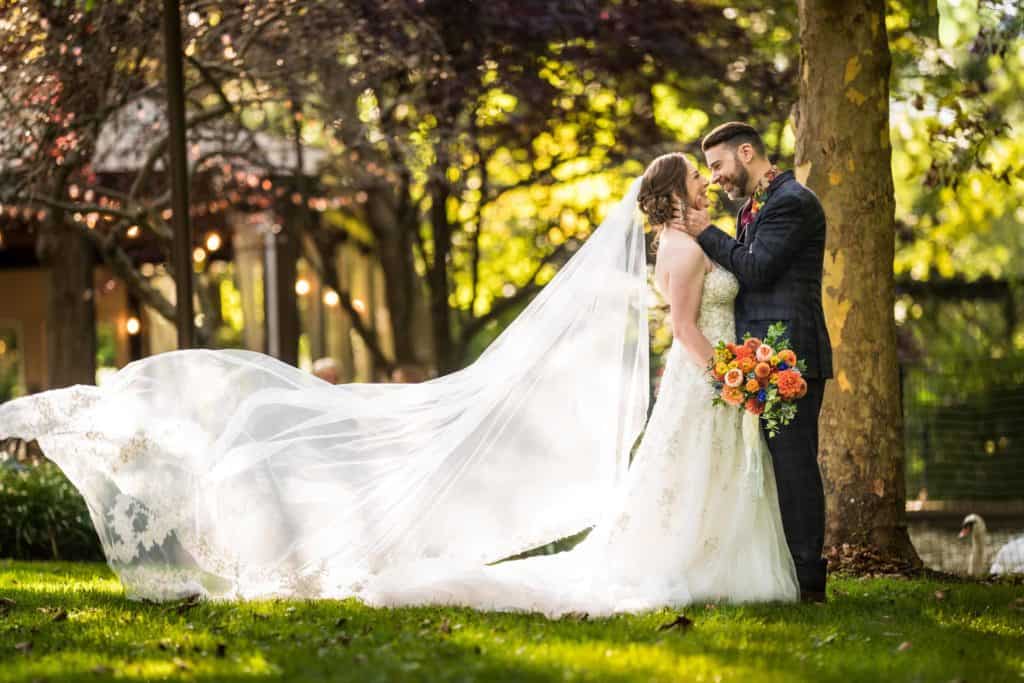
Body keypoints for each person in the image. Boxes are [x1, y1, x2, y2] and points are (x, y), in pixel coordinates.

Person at [0, 152, 798, 613]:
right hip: (709, 381)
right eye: (699, 185)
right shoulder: (686, 249)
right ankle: (698, 565)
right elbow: (690, 328)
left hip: (709, 386)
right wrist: (734, 376)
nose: (709, 189)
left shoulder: (691, 241)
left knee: (691, 482)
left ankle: (713, 561)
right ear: (675, 197)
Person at [678, 122, 833, 603]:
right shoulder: (752, 208)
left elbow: (757, 267)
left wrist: (706, 233)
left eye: (718, 166)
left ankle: (809, 580)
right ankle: (777, 572)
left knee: (794, 467)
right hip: (759, 359)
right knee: (767, 469)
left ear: (747, 153)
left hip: (792, 357)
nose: (716, 178)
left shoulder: (792, 202)